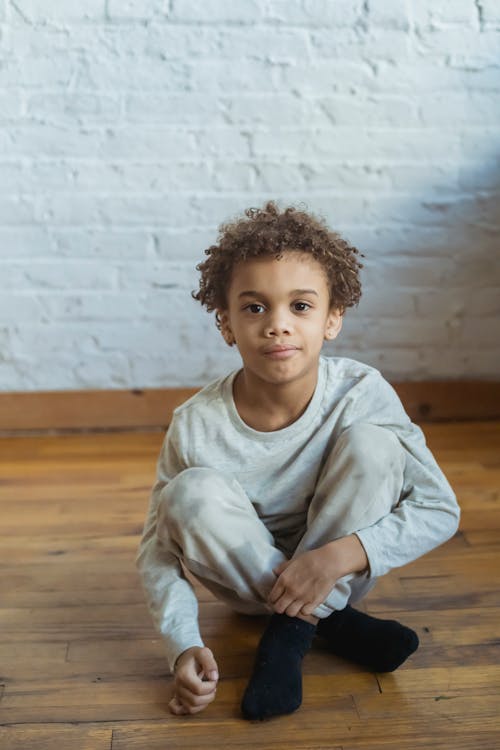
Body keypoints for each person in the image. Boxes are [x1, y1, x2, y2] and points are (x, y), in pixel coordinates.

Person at [136, 201, 460, 721]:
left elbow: (440, 508)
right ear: (225, 323)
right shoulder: (195, 423)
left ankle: (287, 638)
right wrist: (181, 643)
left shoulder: (361, 392)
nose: (278, 326)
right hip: (247, 586)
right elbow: (156, 551)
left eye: (301, 307)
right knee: (186, 492)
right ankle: (328, 623)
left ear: (333, 319)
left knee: (373, 444)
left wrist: (339, 555)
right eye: (255, 307)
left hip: (340, 568)